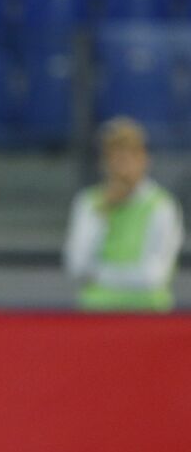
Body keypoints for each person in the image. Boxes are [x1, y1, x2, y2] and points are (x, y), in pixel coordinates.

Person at [64, 117, 183, 312]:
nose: (121, 167)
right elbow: (77, 266)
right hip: (96, 313)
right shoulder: (89, 203)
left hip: (148, 313)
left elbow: (154, 275)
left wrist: (100, 275)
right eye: (114, 158)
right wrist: (103, 214)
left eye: (128, 157)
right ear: (104, 163)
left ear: (144, 159)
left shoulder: (162, 206)